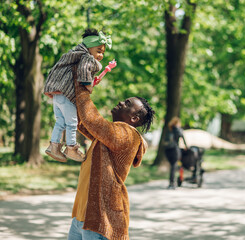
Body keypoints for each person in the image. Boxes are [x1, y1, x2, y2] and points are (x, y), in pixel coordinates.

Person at [68, 74, 155, 240]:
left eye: (127, 104)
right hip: (82, 216)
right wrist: (71, 94)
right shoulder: (111, 134)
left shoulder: (128, 134)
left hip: (100, 221)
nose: (121, 102)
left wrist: (81, 87)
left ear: (134, 118)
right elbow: (83, 122)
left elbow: (93, 121)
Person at [43, 28, 112, 162]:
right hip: (67, 95)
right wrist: (89, 85)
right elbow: (83, 71)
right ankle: (71, 148)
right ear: (89, 47)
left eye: (103, 52)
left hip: (57, 95)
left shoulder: (73, 55)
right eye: (98, 51)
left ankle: (54, 146)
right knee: (72, 122)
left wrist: (92, 81)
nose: (101, 55)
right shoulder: (86, 57)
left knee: (60, 122)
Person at [164, 117, 187, 189]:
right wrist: (186, 146)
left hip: (167, 150)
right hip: (175, 150)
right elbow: (183, 138)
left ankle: (172, 182)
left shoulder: (169, 129)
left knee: (172, 166)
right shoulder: (178, 130)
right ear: (177, 123)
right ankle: (172, 183)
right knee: (174, 166)